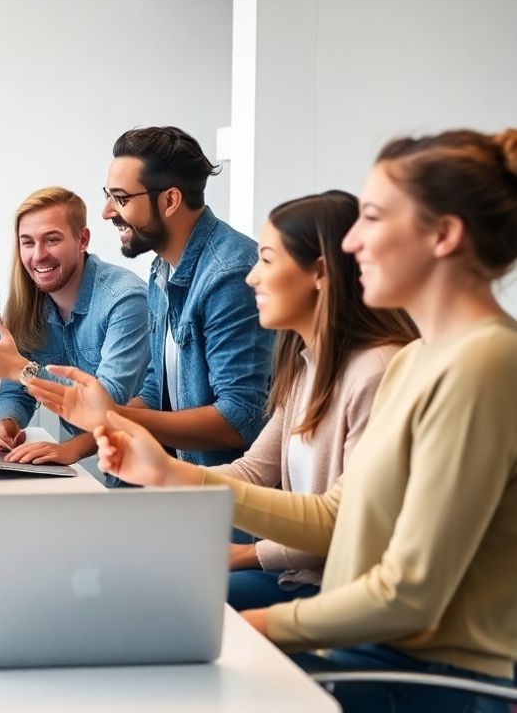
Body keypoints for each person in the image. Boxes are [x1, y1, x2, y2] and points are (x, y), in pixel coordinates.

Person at [33, 128, 517, 713]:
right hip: (366, 645)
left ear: (443, 236)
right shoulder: (420, 358)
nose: (354, 242)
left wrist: (257, 628)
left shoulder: (484, 363)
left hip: (427, 673)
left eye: (373, 218)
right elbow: (337, 516)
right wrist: (161, 468)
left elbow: (406, 597)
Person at [207, 191, 416, 609]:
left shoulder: (377, 372)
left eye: (266, 259)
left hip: (344, 595)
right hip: (303, 578)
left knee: (187, 602)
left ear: (320, 272)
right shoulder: (306, 365)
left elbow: (348, 527)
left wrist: (245, 555)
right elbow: (253, 471)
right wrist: (157, 494)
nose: (251, 277)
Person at [97, 126, 274, 476]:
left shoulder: (230, 275)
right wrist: (102, 423)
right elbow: (154, 388)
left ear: (170, 200)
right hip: (185, 491)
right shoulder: (162, 267)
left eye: (121, 198)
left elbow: (240, 418)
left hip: (235, 510)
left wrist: (112, 415)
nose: (106, 211)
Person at [0, 186, 147, 464]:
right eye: (27, 242)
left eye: (51, 240)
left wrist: (19, 368)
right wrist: (5, 423)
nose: (38, 255)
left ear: (83, 239)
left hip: (150, 472)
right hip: (98, 469)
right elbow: (16, 389)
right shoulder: (29, 305)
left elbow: (109, 401)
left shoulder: (125, 299)